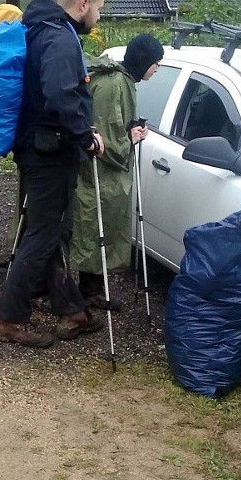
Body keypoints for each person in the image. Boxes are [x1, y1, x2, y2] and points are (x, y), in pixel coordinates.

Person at [0, 0, 107, 348]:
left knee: (51, 231)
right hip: (50, 151)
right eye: (99, 9)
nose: (99, 18)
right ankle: (8, 319)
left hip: (39, 146)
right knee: (42, 234)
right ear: (83, 4)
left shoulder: (41, 29)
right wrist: (85, 136)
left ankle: (71, 310)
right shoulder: (58, 38)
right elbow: (59, 96)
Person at [71, 34, 164, 310]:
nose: (157, 68)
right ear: (142, 61)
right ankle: (88, 290)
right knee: (95, 226)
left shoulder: (123, 80)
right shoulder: (115, 84)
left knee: (98, 225)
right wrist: (129, 139)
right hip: (99, 172)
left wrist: (131, 129)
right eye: (155, 62)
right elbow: (104, 137)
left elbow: (114, 125)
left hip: (102, 171)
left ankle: (91, 287)